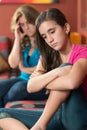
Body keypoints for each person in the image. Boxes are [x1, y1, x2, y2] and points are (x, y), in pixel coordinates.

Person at [0, 8, 87, 130]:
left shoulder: (83, 53)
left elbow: (71, 82)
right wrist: (56, 72)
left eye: (52, 31)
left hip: (78, 117)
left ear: (66, 28)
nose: (50, 40)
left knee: (66, 67)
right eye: (45, 36)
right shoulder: (48, 55)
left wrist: (42, 81)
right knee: (2, 114)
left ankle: (40, 125)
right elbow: (30, 86)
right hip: (58, 115)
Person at [0, 4, 48, 108]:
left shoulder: (46, 39)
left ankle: (3, 113)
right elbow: (13, 64)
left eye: (29, 23)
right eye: (22, 24)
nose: (26, 28)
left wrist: (23, 68)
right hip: (23, 78)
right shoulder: (24, 42)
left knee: (16, 90)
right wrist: (18, 39)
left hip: (40, 83)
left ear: (35, 20)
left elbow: (43, 69)